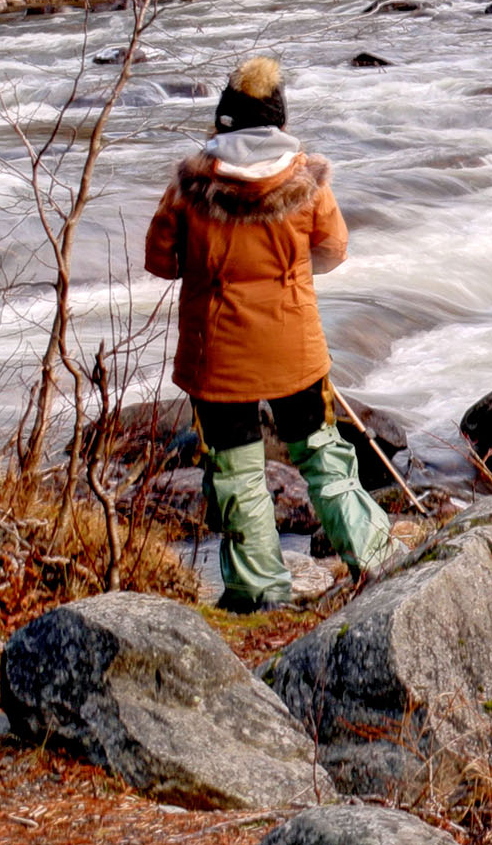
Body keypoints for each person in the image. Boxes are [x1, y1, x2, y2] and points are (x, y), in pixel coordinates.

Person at [140, 55, 392, 612]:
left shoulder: (190, 185)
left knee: (235, 472)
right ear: (278, 122)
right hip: (292, 345)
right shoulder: (305, 180)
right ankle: (376, 558)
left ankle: (259, 593)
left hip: (217, 353)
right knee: (322, 453)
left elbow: (160, 260)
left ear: (223, 121)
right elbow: (333, 250)